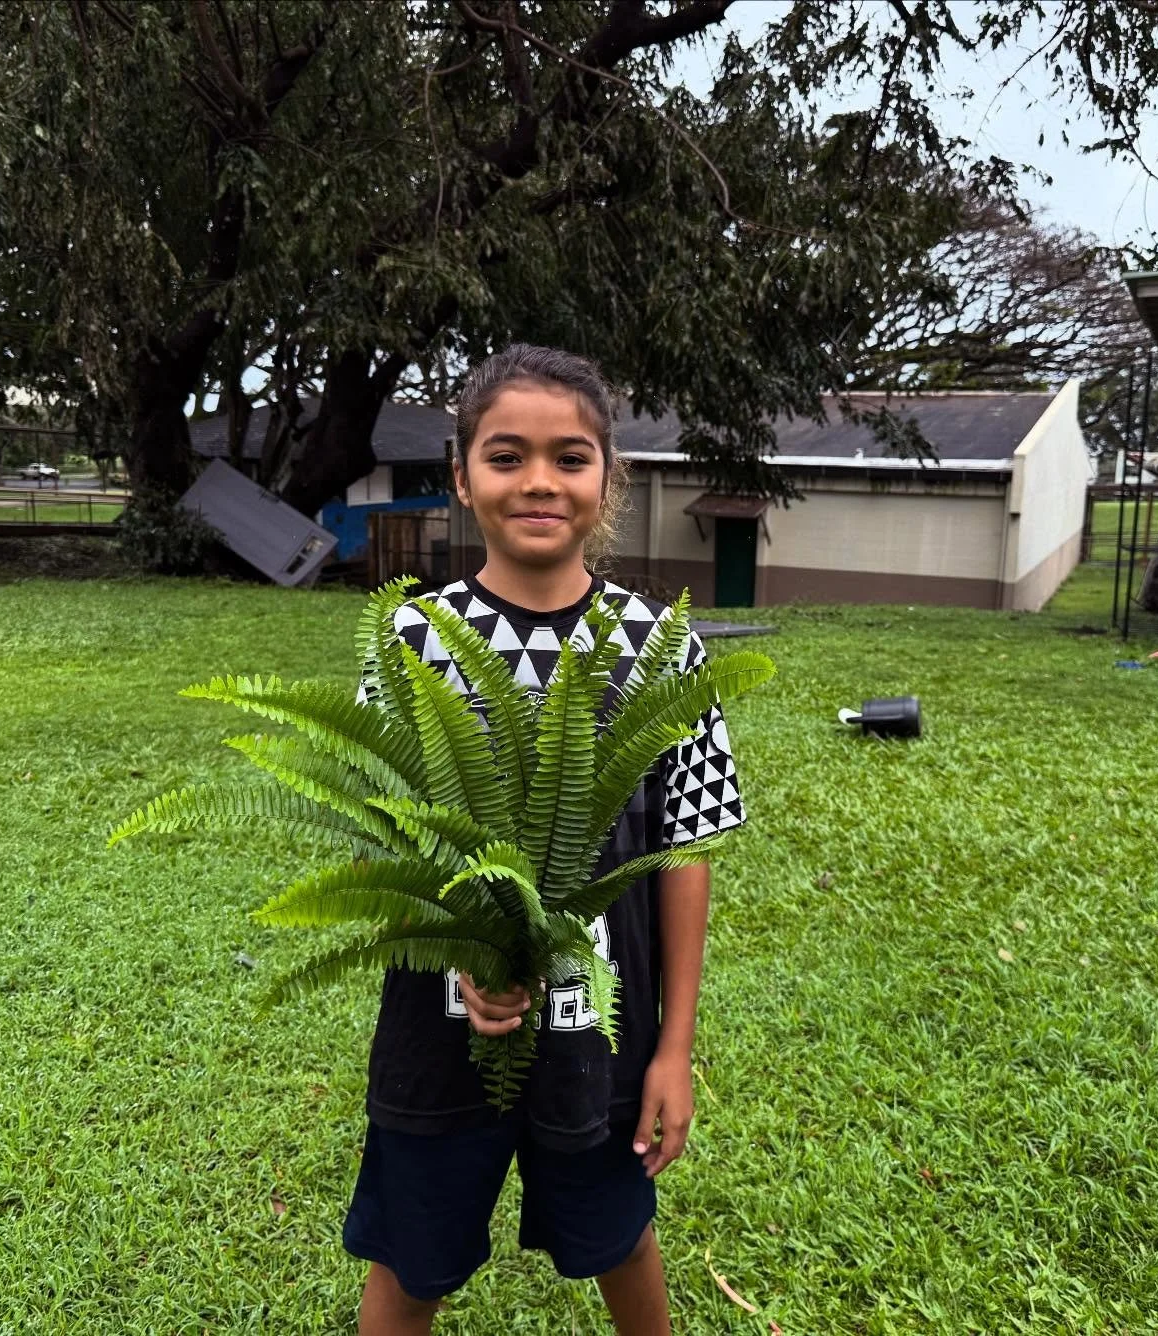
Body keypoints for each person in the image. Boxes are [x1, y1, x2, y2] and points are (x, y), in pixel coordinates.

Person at [345, 344, 746, 1334]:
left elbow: (686, 851)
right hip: (438, 1036)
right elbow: (377, 854)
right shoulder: (412, 642)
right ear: (461, 476)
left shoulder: (658, 646)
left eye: (569, 457)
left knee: (620, 1237)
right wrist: (458, 952)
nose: (538, 481)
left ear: (609, 477)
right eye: (505, 455)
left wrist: (675, 1048)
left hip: (601, 1036)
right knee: (412, 1257)